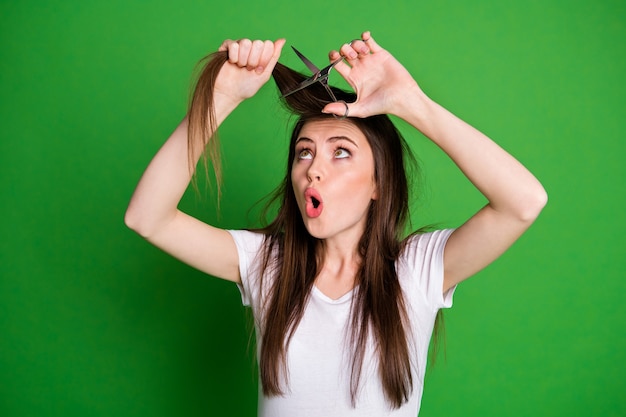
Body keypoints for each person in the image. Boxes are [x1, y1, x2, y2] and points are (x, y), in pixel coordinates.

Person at [125, 32, 547, 416]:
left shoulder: (417, 271)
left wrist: (408, 102)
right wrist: (223, 98)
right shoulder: (266, 264)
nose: (314, 170)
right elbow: (147, 217)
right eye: (304, 152)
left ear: (378, 183)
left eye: (340, 151)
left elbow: (524, 202)